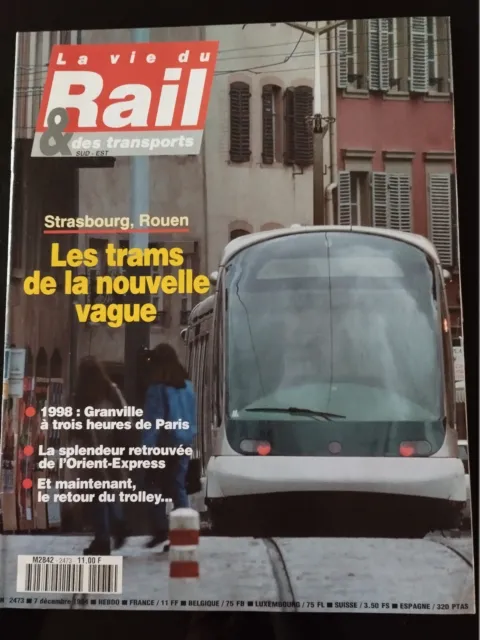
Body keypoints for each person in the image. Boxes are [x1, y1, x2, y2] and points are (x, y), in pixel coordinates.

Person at [142, 343, 197, 549]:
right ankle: (184, 532)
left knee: (152, 487)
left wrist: (145, 451)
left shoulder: (157, 389)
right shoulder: (187, 386)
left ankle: (160, 528)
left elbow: (153, 422)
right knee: (178, 488)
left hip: (164, 444)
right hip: (184, 441)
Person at [74, 356, 129, 555]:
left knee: (98, 496)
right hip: (113, 449)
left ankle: (104, 538)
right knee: (110, 490)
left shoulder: (84, 397)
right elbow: (125, 416)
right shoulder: (111, 390)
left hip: (94, 452)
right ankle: (117, 526)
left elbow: (81, 430)